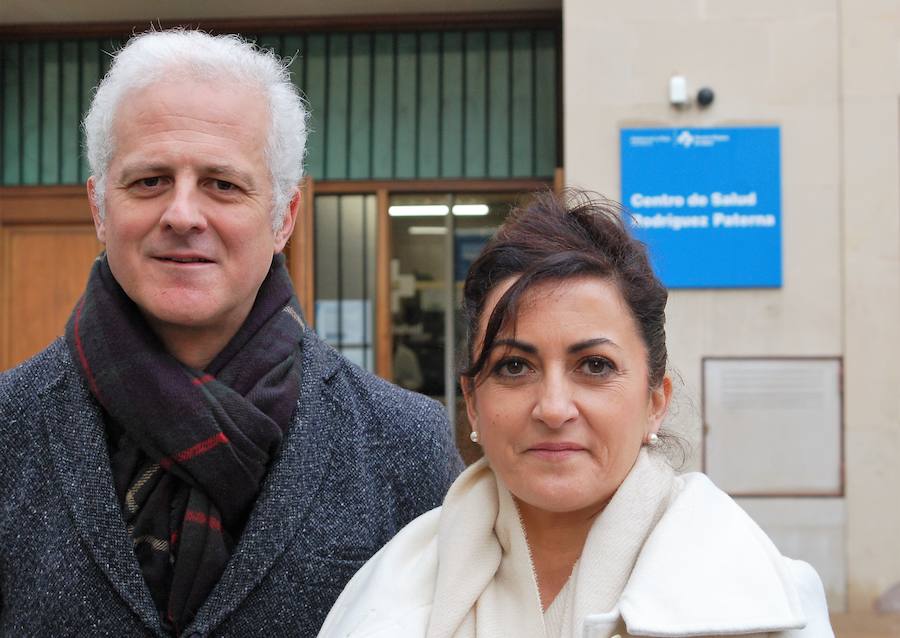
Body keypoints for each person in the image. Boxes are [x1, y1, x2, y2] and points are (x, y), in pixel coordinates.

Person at [0, 29, 462, 637]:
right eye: (149, 181)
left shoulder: (406, 446)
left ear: (283, 217)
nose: (183, 215)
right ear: (99, 208)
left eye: (222, 183)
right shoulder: (10, 430)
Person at [318, 191, 833, 638]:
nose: (554, 408)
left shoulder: (767, 608)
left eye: (594, 365)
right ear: (472, 400)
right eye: (514, 366)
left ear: (656, 400)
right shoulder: (384, 594)